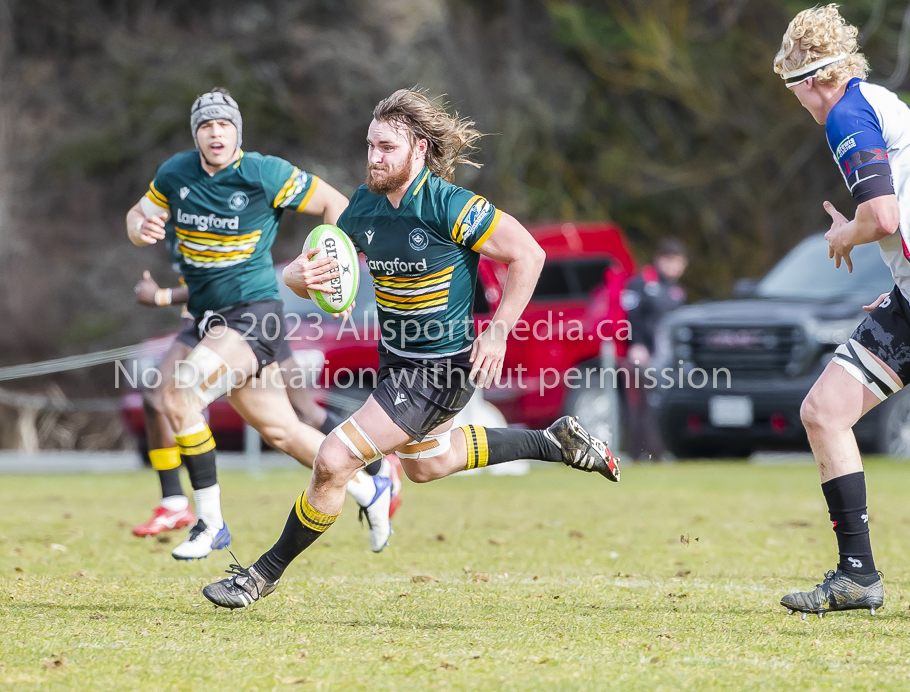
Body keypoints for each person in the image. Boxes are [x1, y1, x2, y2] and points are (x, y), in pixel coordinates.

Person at [201, 88, 621, 609]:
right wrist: (295, 276)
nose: (374, 157)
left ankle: (259, 576)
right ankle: (551, 442)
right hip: (397, 363)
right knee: (427, 465)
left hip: (442, 368)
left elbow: (528, 254)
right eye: (370, 146)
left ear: (418, 150)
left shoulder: (450, 205)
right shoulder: (362, 207)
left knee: (333, 459)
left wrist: (499, 331)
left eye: (387, 147)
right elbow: (322, 273)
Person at [126, 88, 395, 558]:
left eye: (224, 124)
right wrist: (139, 228)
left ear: (237, 132)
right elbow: (137, 215)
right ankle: (369, 490)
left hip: (255, 316)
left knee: (179, 393)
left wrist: (336, 272)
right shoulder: (176, 174)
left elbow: (334, 203)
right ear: (196, 134)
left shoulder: (264, 173)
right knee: (284, 432)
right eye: (206, 125)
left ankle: (209, 523)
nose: (215, 132)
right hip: (212, 321)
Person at [772, 5, 904, 617]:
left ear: (806, 82)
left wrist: (844, 236)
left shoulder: (847, 111)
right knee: (825, 411)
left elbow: (883, 218)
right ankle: (858, 576)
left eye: (791, 86)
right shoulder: (869, 99)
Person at [621, 238, 687, 460]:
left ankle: (659, 449)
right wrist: (636, 345)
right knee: (643, 403)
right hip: (644, 353)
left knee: (662, 401)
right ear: (659, 260)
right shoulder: (641, 283)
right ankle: (644, 451)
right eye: (670, 261)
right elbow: (631, 317)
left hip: (667, 357)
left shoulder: (676, 291)